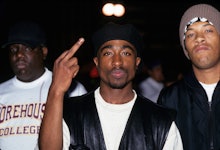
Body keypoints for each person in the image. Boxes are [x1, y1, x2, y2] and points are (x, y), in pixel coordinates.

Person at [39, 22, 183, 150]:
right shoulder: (70, 113)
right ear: (97, 62)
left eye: (126, 53)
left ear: (137, 62)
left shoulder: (161, 122)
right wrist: (56, 90)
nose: (117, 62)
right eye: (108, 53)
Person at [0, 20, 87, 150]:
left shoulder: (71, 89)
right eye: (13, 49)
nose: (18, 54)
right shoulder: (1, 91)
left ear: (44, 52)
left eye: (27, 48)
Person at [157, 3, 220, 150]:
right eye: (190, 34)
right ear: (185, 47)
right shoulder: (170, 98)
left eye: (208, 30)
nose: (199, 38)